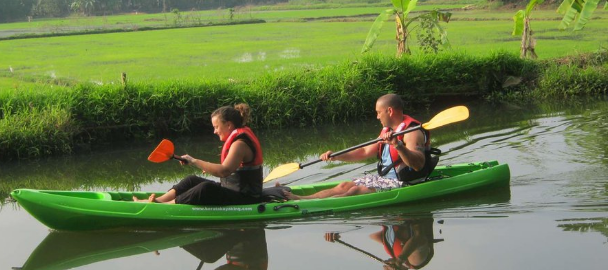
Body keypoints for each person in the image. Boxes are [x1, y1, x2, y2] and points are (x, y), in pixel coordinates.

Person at [285, 93, 438, 200]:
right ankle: (301, 199)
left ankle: (316, 205)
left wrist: (397, 145)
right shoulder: (388, 131)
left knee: (356, 191)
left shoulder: (413, 132)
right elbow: (365, 151)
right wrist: (337, 156)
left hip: (406, 183)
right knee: (345, 185)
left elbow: (418, 164)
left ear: (389, 111)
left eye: (379, 113)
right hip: (386, 179)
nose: (377, 117)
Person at [134, 103, 263, 205]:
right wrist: (203, 165)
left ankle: (166, 206)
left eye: (216, 127)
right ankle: (160, 200)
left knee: (205, 188)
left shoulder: (239, 144)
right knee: (191, 180)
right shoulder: (237, 140)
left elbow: (224, 171)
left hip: (246, 198)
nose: (214, 131)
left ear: (228, 125)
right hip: (232, 190)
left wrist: (195, 162)